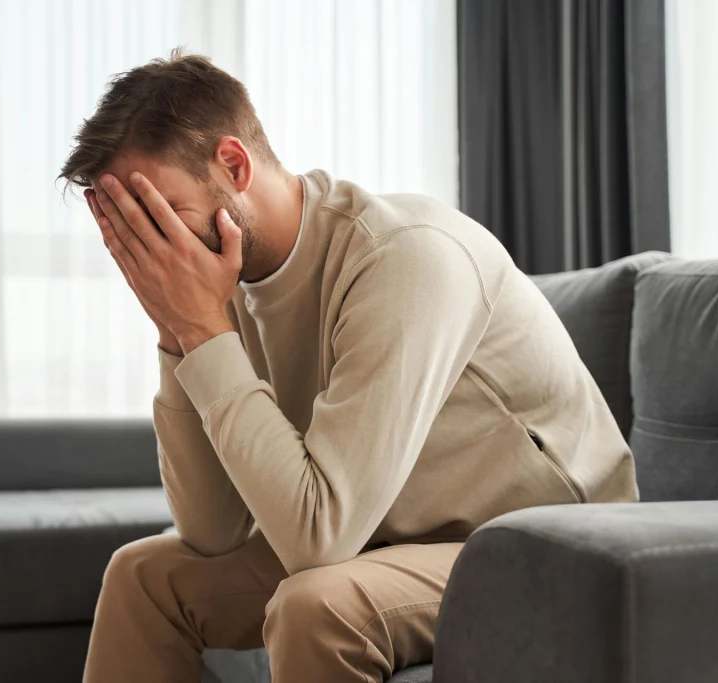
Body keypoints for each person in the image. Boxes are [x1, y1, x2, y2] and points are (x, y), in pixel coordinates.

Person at [58, 49, 637, 683]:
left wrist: (200, 327)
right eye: (134, 226)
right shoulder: (220, 283)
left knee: (317, 607)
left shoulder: (403, 258)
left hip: (551, 544)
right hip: (392, 537)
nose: (157, 245)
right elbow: (211, 531)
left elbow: (317, 541)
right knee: (144, 579)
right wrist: (179, 333)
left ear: (233, 164)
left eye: (163, 214)